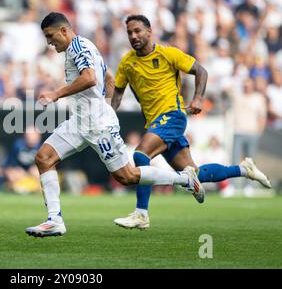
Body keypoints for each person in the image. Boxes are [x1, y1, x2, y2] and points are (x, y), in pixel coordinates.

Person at [25, 12, 204, 238]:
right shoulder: (83, 47)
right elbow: (109, 78)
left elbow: (90, 78)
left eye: (50, 36)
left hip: (98, 125)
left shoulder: (79, 48)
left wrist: (56, 94)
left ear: (63, 31)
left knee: (126, 176)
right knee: (43, 158)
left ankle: (185, 179)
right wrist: (106, 106)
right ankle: (54, 220)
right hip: (81, 122)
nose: (49, 42)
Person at [110, 14, 271, 230]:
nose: (133, 35)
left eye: (137, 30)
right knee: (195, 173)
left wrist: (197, 98)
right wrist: (108, 117)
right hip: (155, 123)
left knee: (141, 155)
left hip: (173, 116)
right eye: (129, 32)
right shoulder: (127, 63)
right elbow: (118, 94)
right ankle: (243, 170)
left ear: (149, 31)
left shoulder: (168, 53)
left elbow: (200, 71)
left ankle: (141, 214)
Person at [5, 127, 41, 194]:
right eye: (29, 137)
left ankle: (34, 188)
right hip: (20, 173)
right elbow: (9, 166)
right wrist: (16, 170)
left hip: (34, 174)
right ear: (25, 137)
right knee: (12, 175)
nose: (31, 140)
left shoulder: (43, 147)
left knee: (40, 174)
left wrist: (36, 169)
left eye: (34, 137)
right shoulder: (17, 146)